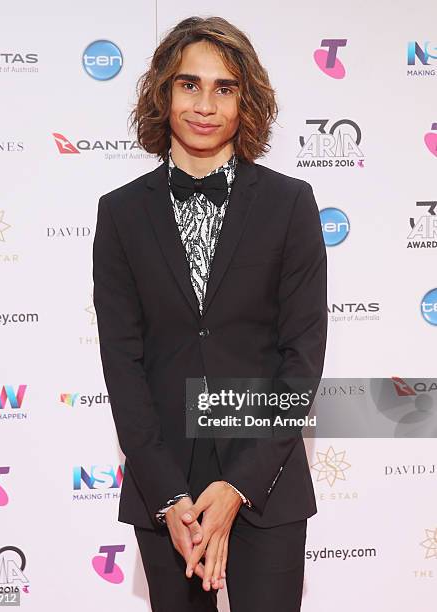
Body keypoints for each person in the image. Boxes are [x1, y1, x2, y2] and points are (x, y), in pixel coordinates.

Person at [93, 15, 327, 612]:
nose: (205, 104)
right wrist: (169, 493)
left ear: (246, 101)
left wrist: (239, 484)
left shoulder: (289, 204)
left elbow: (300, 361)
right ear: (163, 94)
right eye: (188, 85)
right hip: (163, 488)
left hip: (265, 484)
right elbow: (123, 364)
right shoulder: (119, 214)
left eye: (225, 87)